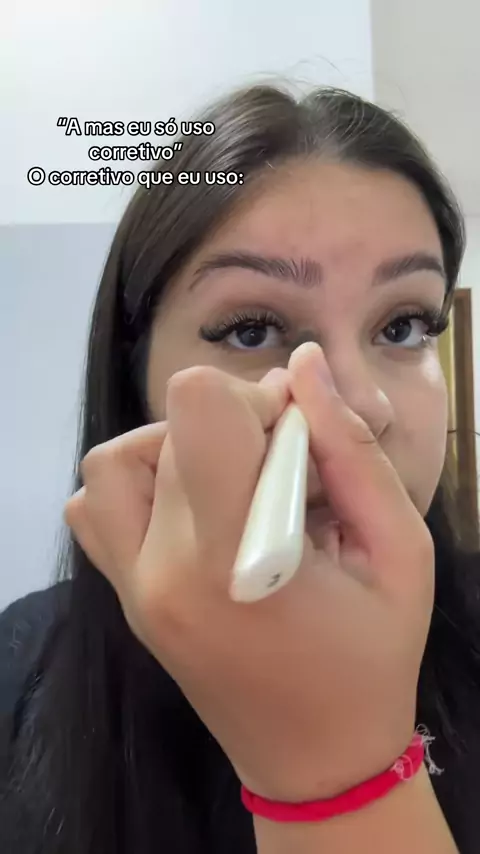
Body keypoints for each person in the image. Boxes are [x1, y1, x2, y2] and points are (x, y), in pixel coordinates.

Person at [1, 83, 479, 854]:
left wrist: (335, 769)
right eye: (253, 329)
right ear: (135, 380)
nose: (362, 406)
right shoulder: (21, 663)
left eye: (404, 325)